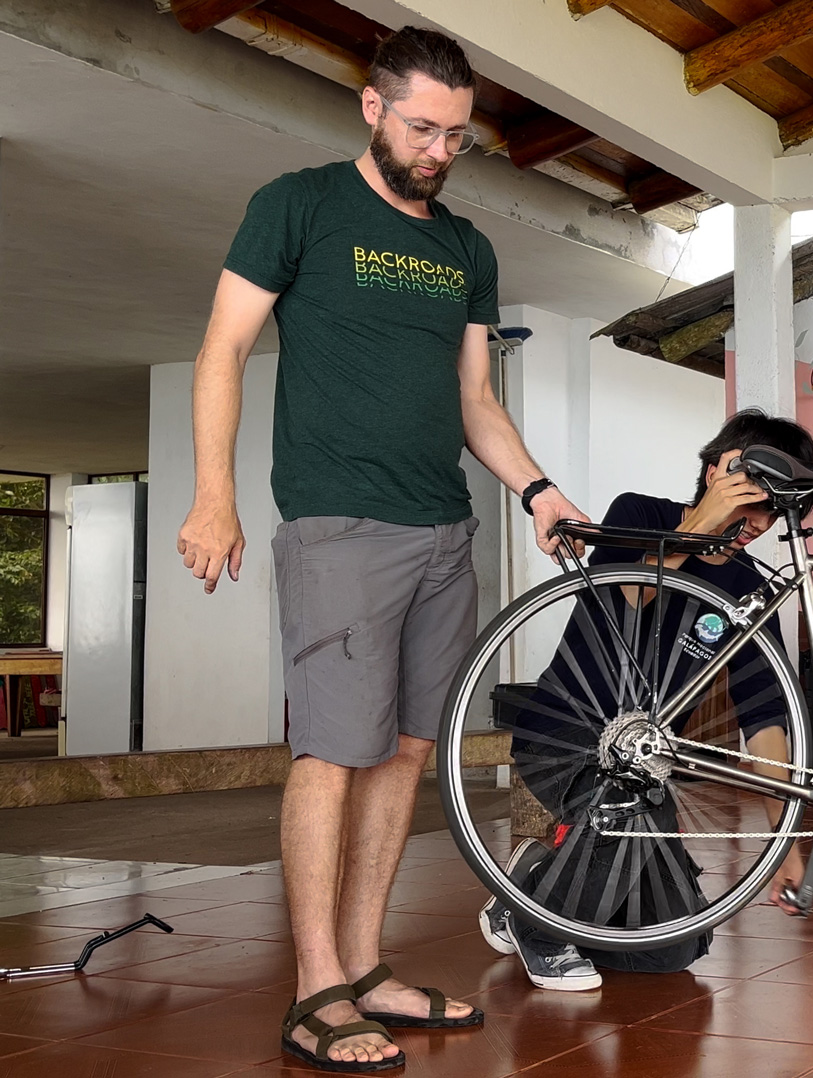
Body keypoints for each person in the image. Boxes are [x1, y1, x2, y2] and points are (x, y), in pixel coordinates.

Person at [176, 27, 588, 1072]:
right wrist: (213, 495)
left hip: (443, 526)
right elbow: (222, 348)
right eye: (421, 127)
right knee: (331, 754)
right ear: (371, 108)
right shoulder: (299, 205)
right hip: (338, 524)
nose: (440, 150)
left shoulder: (466, 248)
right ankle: (314, 989)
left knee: (410, 750)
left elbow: (474, 399)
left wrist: (536, 491)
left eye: (457, 135)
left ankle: (362, 967)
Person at [479, 410, 813, 989]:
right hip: (564, 736)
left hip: (645, 762)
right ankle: (544, 928)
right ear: (715, 471)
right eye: (752, 498)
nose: (758, 523)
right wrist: (697, 530)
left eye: (774, 510)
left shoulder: (751, 586)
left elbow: (764, 720)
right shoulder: (638, 513)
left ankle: (534, 885)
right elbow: (624, 598)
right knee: (630, 808)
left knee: (672, 948)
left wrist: (782, 838)